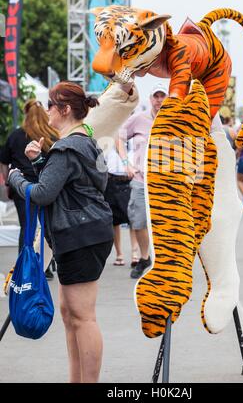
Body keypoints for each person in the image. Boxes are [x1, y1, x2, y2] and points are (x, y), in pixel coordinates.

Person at [8, 82, 114, 383]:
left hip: (81, 235)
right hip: (85, 232)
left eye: (51, 106)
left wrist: (16, 178)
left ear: (65, 110)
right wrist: (40, 161)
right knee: (71, 315)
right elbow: (78, 183)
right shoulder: (86, 141)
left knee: (83, 317)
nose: (47, 111)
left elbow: (42, 194)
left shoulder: (67, 147)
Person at [0, 99, 59, 279]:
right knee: (48, 225)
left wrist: (9, 182)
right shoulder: (53, 135)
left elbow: (4, 162)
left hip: (22, 188)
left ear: (26, 114)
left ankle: (24, 267)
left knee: (27, 227)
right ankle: (47, 265)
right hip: (47, 185)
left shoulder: (16, 135)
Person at [117, 84, 168, 279]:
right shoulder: (139, 119)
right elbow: (119, 136)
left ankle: (162, 263)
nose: (159, 100)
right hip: (140, 179)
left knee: (163, 224)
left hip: (165, 182)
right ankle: (145, 258)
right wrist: (126, 163)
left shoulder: (173, 120)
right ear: (150, 98)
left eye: (162, 96)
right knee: (138, 222)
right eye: (156, 96)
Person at [104, 141, 139, 266]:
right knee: (114, 221)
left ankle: (135, 253)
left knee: (133, 219)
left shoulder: (134, 139)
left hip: (130, 181)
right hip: (112, 181)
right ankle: (119, 254)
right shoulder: (109, 139)